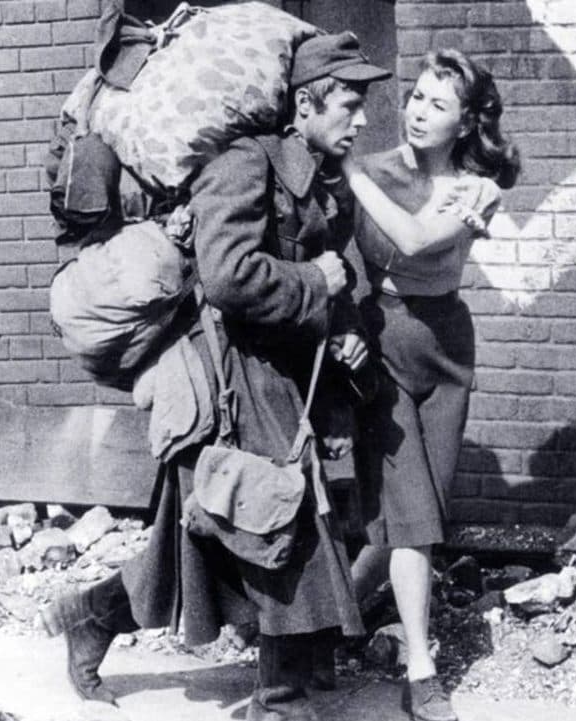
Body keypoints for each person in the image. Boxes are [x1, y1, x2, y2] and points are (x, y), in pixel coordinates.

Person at [39, 32, 391, 721]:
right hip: (232, 374)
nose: (363, 119)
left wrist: (345, 328)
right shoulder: (245, 164)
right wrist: (314, 285)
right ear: (306, 103)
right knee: (279, 523)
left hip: (286, 375)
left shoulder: (323, 182)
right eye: (349, 104)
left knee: (210, 543)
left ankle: (95, 614)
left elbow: (331, 274)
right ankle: (280, 701)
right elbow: (229, 276)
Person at [343, 49, 519, 721]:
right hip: (382, 340)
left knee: (415, 520)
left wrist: (351, 173)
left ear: (465, 122)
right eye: (416, 96)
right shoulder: (374, 168)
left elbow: (415, 240)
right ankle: (421, 672)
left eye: (437, 104)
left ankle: (335, 620)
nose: (417, 111)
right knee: (411, 519)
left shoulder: (477, 188)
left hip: (446, 349)